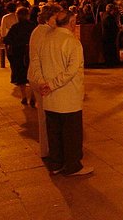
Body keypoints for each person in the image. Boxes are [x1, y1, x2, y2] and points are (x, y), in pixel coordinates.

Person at [38, 10, 93, 176]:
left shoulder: (46, 39)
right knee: (71, 133)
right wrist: (53, 84)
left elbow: (37, 62)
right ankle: (72, 166)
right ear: (71, 22)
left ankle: (56, 164)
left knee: (54, 132)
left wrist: (44, 83)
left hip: (50, 95)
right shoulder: (72, 42)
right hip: (68, 95)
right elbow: (72, 71)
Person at [28, 4, 62, 158]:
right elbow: (36, 59)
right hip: (42, 79)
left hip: (39, 78)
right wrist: (42, 81)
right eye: (57, 17)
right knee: (47, 116)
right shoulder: (44, 32)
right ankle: (49, 150)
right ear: (49, 17)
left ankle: (48, 149)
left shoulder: (41, 31)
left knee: (45, 115)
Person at [3, 7, 36, 106]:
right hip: (31, 52)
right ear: (27, 15)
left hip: (18, 53)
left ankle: (24, 96)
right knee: (32, 74)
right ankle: (33, 96)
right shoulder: (33, 26)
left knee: (21, 74)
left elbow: (7, 40)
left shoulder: (15, 27)